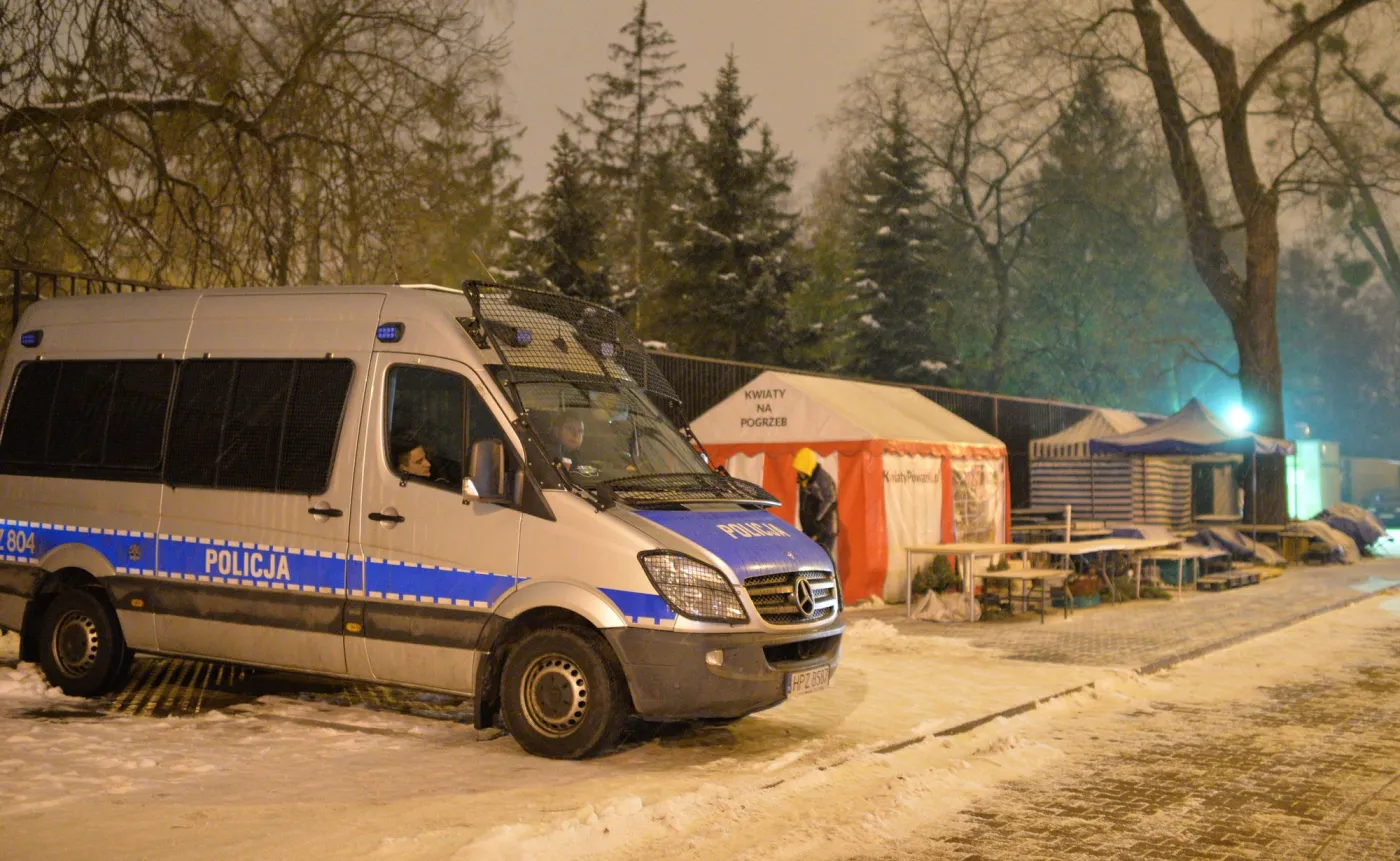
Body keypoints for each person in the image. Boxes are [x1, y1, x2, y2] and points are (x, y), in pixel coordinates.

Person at [794, 447, 837, 559]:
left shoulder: (823, 479)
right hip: (811, 528)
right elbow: (805, 505)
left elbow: (831, 499)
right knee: (811, 560)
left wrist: (817, 520)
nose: (798, 473)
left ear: (807, 467)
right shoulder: (804, 480)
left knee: (823, 560)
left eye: (801, 470)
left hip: (824, 529)